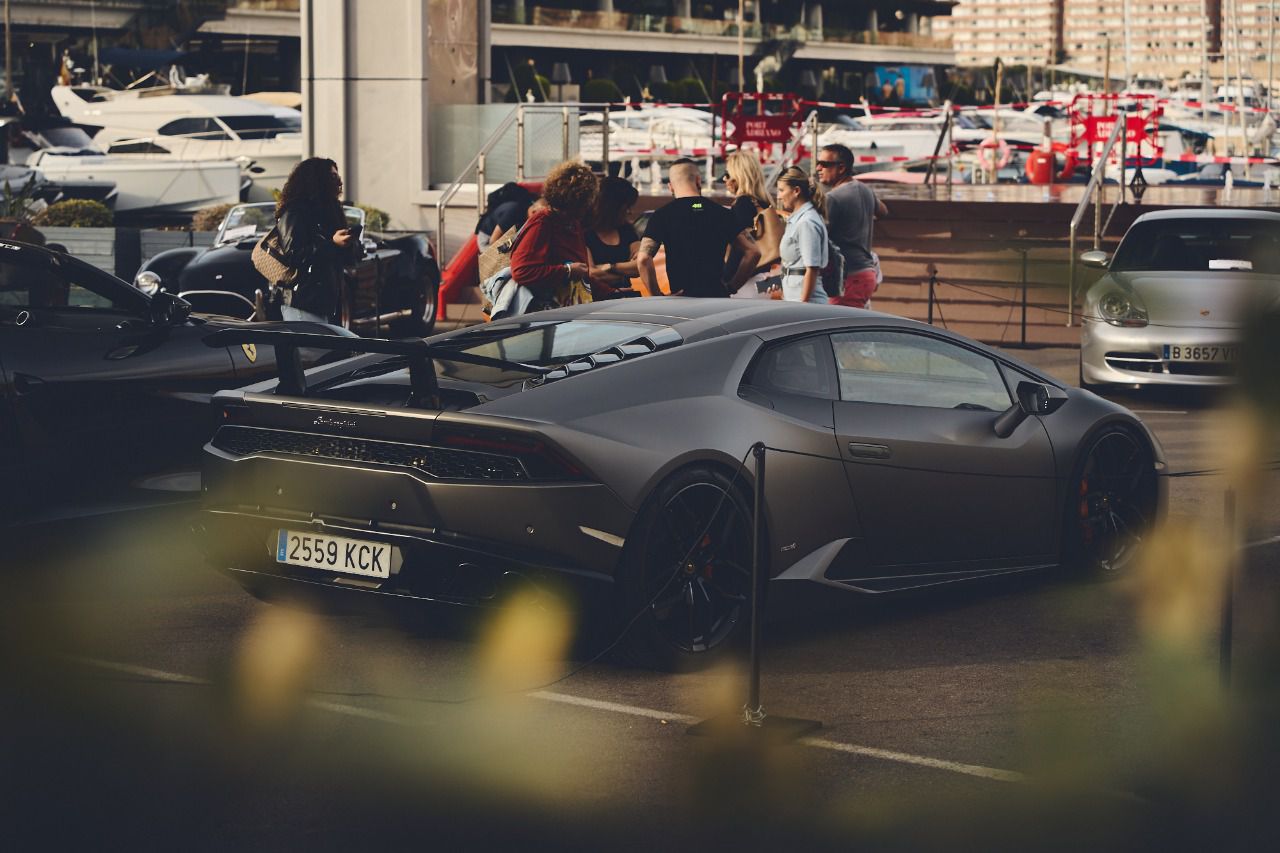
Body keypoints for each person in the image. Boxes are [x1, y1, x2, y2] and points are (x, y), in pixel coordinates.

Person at [637, 159, 758, 297]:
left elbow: (643, 259)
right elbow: (753, 252)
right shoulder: (722, 213)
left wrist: (657, 295)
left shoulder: (662, 215)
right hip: (717, 298)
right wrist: (732, 287)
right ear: (698, 180)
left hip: (682, 300)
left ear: (670, 186)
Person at [275, 156, 358, 324]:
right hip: (303, 301)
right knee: (313, 350)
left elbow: (342, 258)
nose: (338, 181)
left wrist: (350, 245)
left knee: (330, 349)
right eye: (332, 177)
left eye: (337, 176)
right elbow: (293, 255)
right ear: (316, 179)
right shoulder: (295, 211)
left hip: (327, 301)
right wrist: (332, 244)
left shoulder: (329, 210)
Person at [510, 160, 598, 307]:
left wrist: (612, 292)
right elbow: (522, 271)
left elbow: (582, 275)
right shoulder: (543, 222)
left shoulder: (572, 223)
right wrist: (567, 271)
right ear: (578, 200)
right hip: (543, 314)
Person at [818, 143, 889, 308]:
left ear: (841, 168)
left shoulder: (833, 198)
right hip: (866, 274)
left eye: (825, 164)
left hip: (849, 278)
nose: (818, 168)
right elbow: (883, 212)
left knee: (838, 329)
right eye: (818, 163)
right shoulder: (865, 190)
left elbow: (817, 235)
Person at [722, 151, 783, 298]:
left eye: (728, 174)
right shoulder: (763, 202)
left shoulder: (742, 204)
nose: (724, 179)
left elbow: (740, 250)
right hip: (765, 280)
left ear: (739, 176)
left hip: (745, 283)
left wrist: (725, 281)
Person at [774, 166, 828, 304]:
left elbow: (812, 268)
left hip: (805, 304)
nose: (778, 196)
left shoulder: (806, 222)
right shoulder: (800, 219)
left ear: (796, 191)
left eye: (781, 190)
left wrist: (802, 307)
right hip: (795, 298)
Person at [586, 176, 640, 298]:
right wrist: (625, 272)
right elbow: (591, 274)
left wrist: (609, 267)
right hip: (595, 301)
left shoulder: (626, 230)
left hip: (625, 297)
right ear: (613, 206)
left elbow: (639, 266)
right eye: (627, 206)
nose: (629, 212)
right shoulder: (585, 232)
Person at [475, 182, 535, 250]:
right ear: (533, 211)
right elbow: (493, 241)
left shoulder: (527, 204)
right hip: (487, 239)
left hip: (501, 234)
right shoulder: (513, 211)